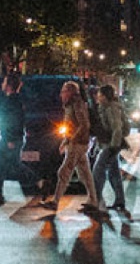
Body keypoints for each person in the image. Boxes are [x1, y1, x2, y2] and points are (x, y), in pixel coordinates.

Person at [40, 80, 103, 216]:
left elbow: (84, 124)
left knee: (64, 172)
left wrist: (72, 139)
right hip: (76, 142)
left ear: (70, 92)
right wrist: (65, 141)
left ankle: (55, 201)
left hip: (78, 143)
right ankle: (93, 201)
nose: (61, 94)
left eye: (63, 91)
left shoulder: (77, 104)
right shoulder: (70, 105)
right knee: (85, 174)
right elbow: (71, 125)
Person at [0, 74, 35, 206]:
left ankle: (38, 180)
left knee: (11, 165)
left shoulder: (12, 100)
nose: (2, 85)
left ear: (9, 86)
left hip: (10, 137)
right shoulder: (14, 99)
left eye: (5, 82)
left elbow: (13, 121)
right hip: (8, 136)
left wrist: (10, 138)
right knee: (0, 165)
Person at [92, 84, 129, 216]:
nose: (98, 97)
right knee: (113, 172)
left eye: (100, 95)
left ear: (105, 96)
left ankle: (95, 201)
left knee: (98, 171)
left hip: (112, 144)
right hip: (109, 143)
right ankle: (120, 200)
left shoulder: (111, 108)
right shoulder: (106, 107)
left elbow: (117, 128)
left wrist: (113, 146)